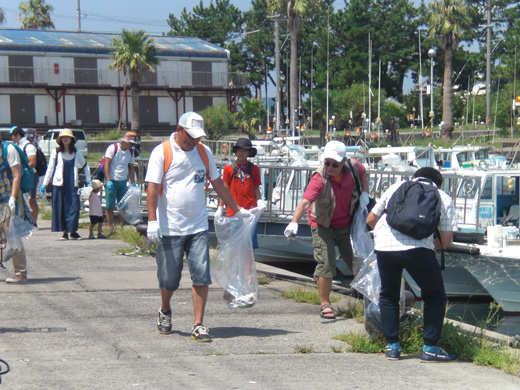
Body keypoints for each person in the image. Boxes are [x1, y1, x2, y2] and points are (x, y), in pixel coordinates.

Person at [145, 111, 251, 342]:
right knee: (169, 279)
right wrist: (152, 221)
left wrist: (237, 209)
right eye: (191, 136)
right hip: (170, 227)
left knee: (201, 276)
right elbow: (152, 188)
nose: (194, 141)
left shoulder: (204, 152)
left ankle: (198, 324)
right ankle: (165, 309)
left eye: (198, 136)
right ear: (179, 129)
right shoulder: (162, 152)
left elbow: (218, 182)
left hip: (198, 226)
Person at [366, 167, 458, 362]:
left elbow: (370, 220)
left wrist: (389, 237)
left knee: (389, 294)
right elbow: (446, 240)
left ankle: (392, 347)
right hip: (419, 250)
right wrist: (423, 243)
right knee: (434, 296)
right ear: (437, 184)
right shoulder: (443, 197)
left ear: (414, 178)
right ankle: (430, 348)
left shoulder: (395, 187)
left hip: (385, 246)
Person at [284, 140, 369, 319]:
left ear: (344, 161)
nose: (329, 167)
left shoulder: (353, 166)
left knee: (358, 261)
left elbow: (364, 174)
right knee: (326, 264)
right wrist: (294, 222)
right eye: (327, 162)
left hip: (346, 224)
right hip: (322, 225)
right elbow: (305, 202)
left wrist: (365, 194)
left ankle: (368, 298)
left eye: (334, 164)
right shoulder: (319, 179)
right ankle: (325, 304)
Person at [40, 128, 91, 240]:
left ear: (72, 139)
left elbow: (85, 165)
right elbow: (50, 168)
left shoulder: (76, 152)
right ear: (60, 139)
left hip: (72, 184)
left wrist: (89, 180)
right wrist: (44, 183)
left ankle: (73, 231)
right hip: (59, 184)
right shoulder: (56, 151)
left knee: (74, 207)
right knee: (61, 207)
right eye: (63, 137)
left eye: (67, 137)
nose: (65, 139)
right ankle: (64, 232)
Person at [216, 138, 264, 248]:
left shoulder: (254, 168)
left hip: (250, 211)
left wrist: (259, 201)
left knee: (249, 245)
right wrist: (220, 207)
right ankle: (235, 266)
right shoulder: (229, 168)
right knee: (233, 245)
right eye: (239, 150)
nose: (241, 153)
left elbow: (256, 187)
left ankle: (248, 265)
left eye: (245, 151)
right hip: (233, 212)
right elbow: (225, 189)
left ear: (249, 153)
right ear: (236, 151)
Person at [0, 136, 33, 283]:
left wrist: (12, 199)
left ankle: (20, 273)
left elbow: (17, 175)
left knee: (13, 234)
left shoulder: (9, 150)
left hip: (8, 197)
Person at [104, 131, 136, 230]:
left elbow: (131, 167)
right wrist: (108, 180)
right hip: (112, 180)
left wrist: (133, 183)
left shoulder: (130, 152)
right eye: (130, 143)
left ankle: (121, 227)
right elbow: (107, 164)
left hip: (123, 181)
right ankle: (110, 227)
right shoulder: (113, 148)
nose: (131, 145)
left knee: (123, 206)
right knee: (110, 205)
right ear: (124, 141)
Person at [11, 126, 39, 226]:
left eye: (13, 136)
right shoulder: (17, 145)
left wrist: (19, 170)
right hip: (21, 175)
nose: (12, 138)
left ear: (18, 135)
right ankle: (25, 219)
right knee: (22, 198)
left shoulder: (28, 146)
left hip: (30, 175)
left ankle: (34, 221)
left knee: (32, 199)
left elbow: (32, 162)